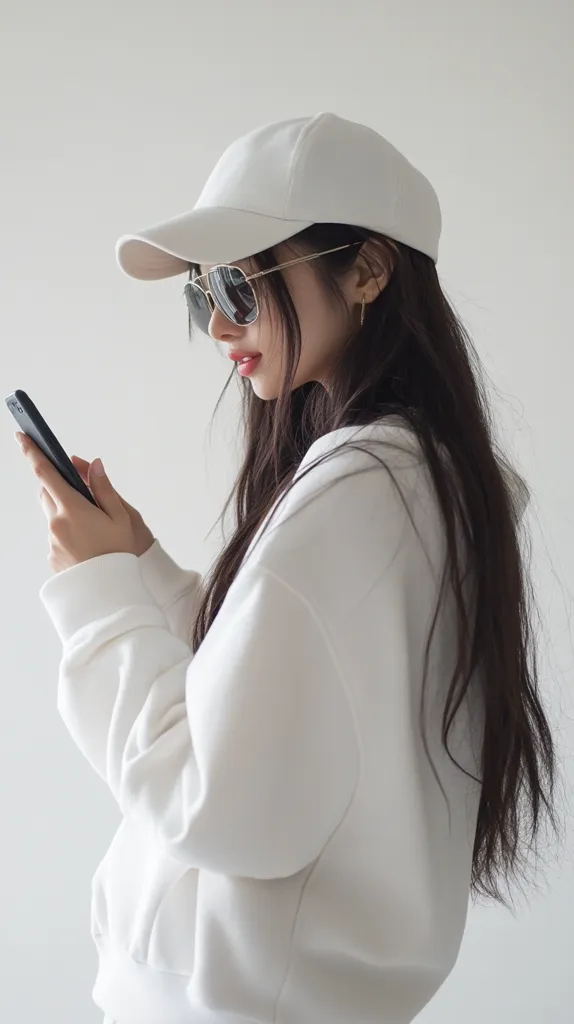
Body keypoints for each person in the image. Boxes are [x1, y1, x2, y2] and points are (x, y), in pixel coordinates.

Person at [17, 113, 557, 1024]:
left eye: (238, 282)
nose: (219, 324)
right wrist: (140, 564)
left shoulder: (365, 491)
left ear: (369, 269)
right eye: (200, 295)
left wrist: (102, 600)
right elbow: (278, 697)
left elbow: (217, 804)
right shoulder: (414, 478)